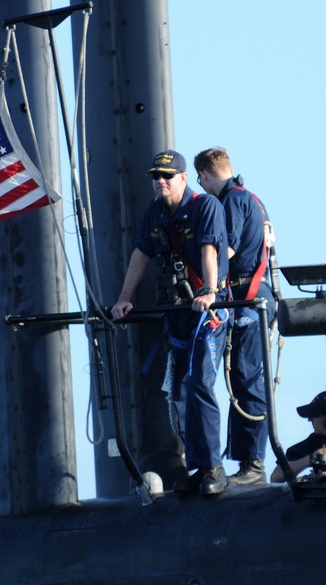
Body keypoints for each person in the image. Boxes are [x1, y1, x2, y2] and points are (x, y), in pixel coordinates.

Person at [111, 150, 231, 496]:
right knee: (178, 392)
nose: (160, 181)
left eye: (167, 175)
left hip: (207, 313)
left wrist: (209, 290)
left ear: (183, 178)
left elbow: (209, 250)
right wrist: (124, 298)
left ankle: (214, 467)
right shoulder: (155, 212)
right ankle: (198, 464)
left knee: (200, 385)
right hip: (177, 313)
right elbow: (141, 255)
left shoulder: (205, 207)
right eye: (155, 176)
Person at [194, 148, 276, 486]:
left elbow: (224, 248)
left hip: (249, 298)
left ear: (204, 176)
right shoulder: (253, 199)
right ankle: (247, 460)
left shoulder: (234, 201)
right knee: (243, 375)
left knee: (245, 375)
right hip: (250, 299)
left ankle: (253, 464)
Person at [270, 388, 326, 483]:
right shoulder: (314, 442)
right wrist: (314, 457)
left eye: (314, 416)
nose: (309, 420)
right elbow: (275, 476)